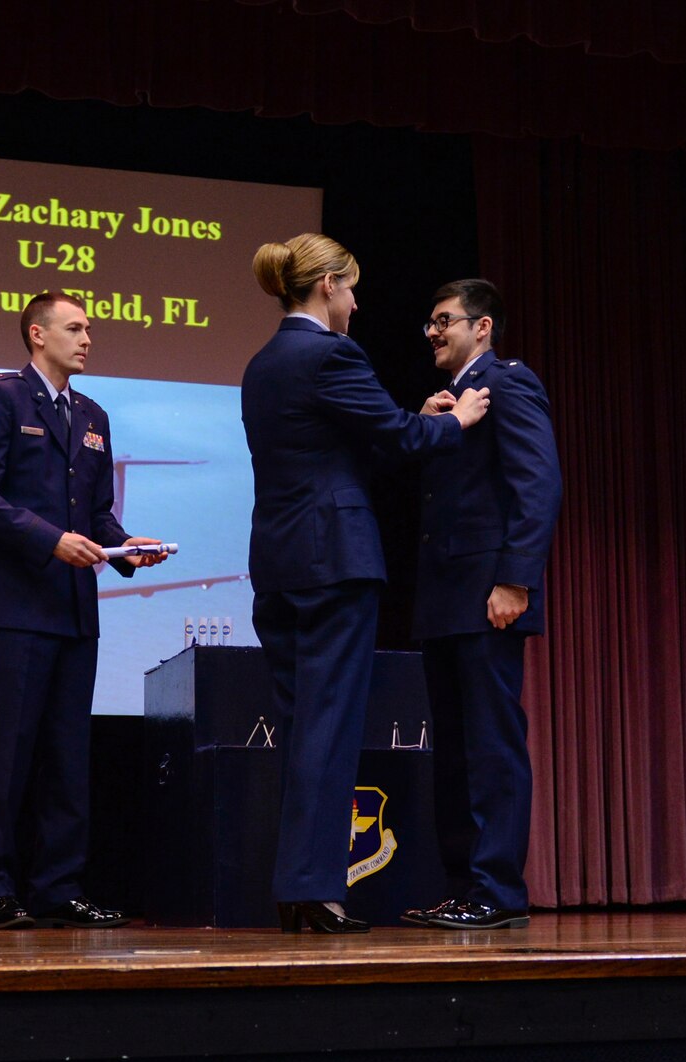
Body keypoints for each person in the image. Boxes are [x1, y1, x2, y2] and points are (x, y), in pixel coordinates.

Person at [241, 234, 488, 934]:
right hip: (335, 563)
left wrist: (415, 422)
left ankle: (297, 888)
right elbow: (398, 440)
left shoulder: (262, 364)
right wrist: (455, 420)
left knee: (299, 731)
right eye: (350, 289)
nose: (355, 303)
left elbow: (344, 449)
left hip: (279, 564)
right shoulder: (331, 353)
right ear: (325, 286)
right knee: (330, 727)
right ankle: (318, 890)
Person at [0, 291, 168, 930]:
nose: (87, 338)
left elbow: (96, 515)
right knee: (7, 754)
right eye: (74, 328)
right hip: (16, 608)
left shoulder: (94, 413)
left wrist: (129, 549)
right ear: (37, 335)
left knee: (69, 757)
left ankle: (58, 887)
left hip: (75, 611)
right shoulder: (1, 396)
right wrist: (49, 538)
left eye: (90, 328)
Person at [402, 277, 562, 931]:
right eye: (431, 322)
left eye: (445, 320)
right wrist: (429, 428)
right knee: (457, 749)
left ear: (482, 327)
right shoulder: (452, 400)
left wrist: (516, 580)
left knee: (493, 746)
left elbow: (539, 483)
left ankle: (499, 890)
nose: (434, 331)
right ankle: (464, 884)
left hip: (489, 596)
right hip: (445, 599)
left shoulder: (508, 383)